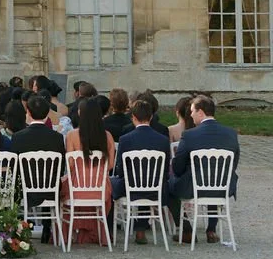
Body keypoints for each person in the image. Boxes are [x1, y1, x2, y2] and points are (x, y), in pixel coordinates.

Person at [169, 95, 240, 242]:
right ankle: (211, 230)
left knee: (166, 187)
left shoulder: (189, 135)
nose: (190, 115)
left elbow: (178, 167)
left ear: (200, 112)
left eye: (193, 111)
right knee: (214, 178)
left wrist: (181, 175)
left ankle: (186, 229)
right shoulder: (231, 133)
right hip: (223, 187)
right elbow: (233, 163)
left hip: (195, 187)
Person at [110, 97, 171, 243]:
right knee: (145, 181)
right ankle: (140, 229)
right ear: (150, 117)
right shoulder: (162, 139)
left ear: (133, 118)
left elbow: (120, 169)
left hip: (130, 186)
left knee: (109, 184)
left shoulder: (125, 139)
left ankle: (109, 229)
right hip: (155, 187)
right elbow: (166, 167)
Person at [10, 95, 66, 245]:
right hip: (50, 189)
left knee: (14, 183)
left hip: (24, 188)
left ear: (27, 112)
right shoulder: (57, 138)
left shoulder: (18, 137)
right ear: (47, 113)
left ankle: (18, 229)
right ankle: (47, 227)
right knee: (51, 178)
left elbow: (13, 169)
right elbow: (60, 169)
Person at [61, 95, 116, 245]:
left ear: (80, 113)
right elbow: (110, 165)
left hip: (76, 186)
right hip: (101, 188)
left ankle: (66, 234)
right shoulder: (107, 136)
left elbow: (70, 165)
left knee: (60, 190)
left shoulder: (72, 135)